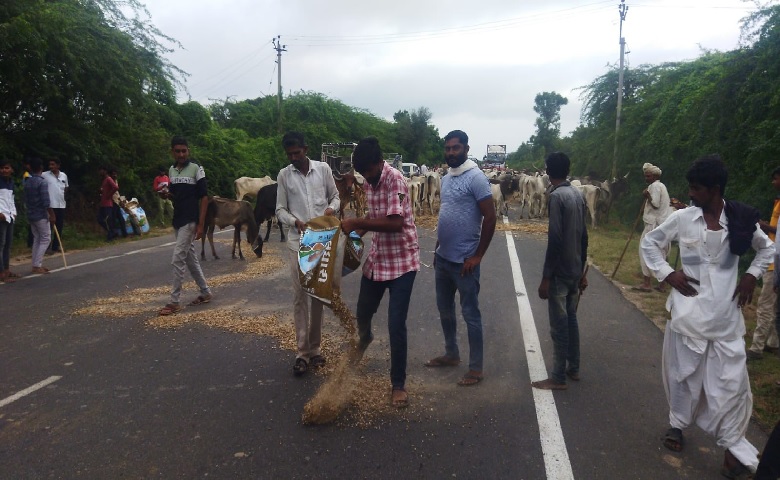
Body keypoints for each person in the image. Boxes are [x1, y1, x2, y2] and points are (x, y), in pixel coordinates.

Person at [640, 155, 774, 478]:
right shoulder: (684, 218)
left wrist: (752, 276)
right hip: (687, 319)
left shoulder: (740, 220)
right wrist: (668, 273)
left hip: (726, 323)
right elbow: (650, 243)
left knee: (730, 388)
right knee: (683, 377)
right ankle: (677, 426)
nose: (691, 193)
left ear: (715, 189)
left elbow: (768, 248)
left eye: (696, 188)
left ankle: (732, 452)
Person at [341, 136, 420, 408]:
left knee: (396, 324)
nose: (366, 178)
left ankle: (398, 384)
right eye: (362, 174)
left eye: (369, 172)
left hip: (402, 262)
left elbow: (395, 223)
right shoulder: (369, 181)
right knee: (362, 314)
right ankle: (364, 341)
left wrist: (357, 221)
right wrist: (352, 233)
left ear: (379, 163)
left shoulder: (395, 179)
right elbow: (374, 219)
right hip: (377, 259)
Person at [424, 130, 496, 387]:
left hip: (465, 261)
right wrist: (438, 246)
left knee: (470, 314)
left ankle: (476, 368)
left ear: (466, 148)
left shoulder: (476, 178)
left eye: (455, 148)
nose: (451, 153)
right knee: (445, 310)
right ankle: (451, 353)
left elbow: (490, 217)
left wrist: (478, 256)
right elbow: (447, 215)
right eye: (447, 148)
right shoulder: (447, 178)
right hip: (444, 259)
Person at [275, 131, 340, 376]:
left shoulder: (323, 170)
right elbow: (280, 209)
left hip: (321, 240)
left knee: (318, 296)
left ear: (306, 149)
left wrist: (331, 210)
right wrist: (295, 222)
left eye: (297, 153)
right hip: (297, 242)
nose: (294, 158)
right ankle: (302, 353)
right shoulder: (284, 175)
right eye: (290, 154)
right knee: (299, 296)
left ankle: (315, 349)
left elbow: (336, 197)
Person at [532, 152, 589, 390]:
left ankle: (557, 376)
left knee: (559, 324)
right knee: (572, 318)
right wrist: (583, 271)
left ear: (547, 171)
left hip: (560, 271)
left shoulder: (556, 197)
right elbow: (584, 236)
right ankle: (573, 367)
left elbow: (555, 239)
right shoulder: (577, 194)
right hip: (575, 267)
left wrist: (546, 277)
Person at [157, 136, 213, 316]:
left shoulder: (197, 169)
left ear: (188, 151)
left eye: (184, 150)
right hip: (177, 219)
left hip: (190, 220)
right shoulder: (171, 171)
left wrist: (201, 224)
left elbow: (204, 197)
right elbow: (176, 195)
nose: (181, 154)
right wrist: (166, 195)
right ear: (172, 152)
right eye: (177, 151)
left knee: (177, 258)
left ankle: (174, 301)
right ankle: (205, 292)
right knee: (190, 259)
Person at [747, 166, 780, 360]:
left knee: (765, 304)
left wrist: (762, 225)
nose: (773, 182)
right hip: (775, 257)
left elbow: (777, 231)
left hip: (775, 260)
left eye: (776, 179)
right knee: (776, 306)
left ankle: (756, 348)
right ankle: (773, 342)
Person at [635, 162, 672, 292]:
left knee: (644, 250)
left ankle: (647, 283)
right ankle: (662, 284)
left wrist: (647, 196)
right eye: (645, 176)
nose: (646, 178)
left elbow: (655, 204)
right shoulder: (661, 186)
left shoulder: (655, 186)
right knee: (660, 254)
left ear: (654, 176)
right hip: (661, 226)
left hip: (653, 225)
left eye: (648, 176)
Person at [24, 157, 55, 274]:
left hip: (31, 214)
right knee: (46, 238)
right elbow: (46, 201)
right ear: (41, 168)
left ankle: (35, 264)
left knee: (37, 238)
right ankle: (37, 265)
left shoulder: (27, 182)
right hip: (41, 214)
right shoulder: (42, 182)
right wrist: (52, 215)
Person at [42, 158, 68, 253]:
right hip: (50, 205)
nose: (51, 166)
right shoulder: (44, 175)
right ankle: (47, 247)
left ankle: (56, 246)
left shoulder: (63, 176)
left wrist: (63, 198)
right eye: (50, 164)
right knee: (48, 227)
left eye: (53, 164)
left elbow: (65, 188)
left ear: (58, 165)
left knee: (59, 226)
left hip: (61, 205)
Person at [0, 159, 18, 283]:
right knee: (0, 244)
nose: (4, 170)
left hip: (9, 215)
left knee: (8, 244)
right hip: (1, 216)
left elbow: (11, 199)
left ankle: (6, 269)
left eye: (7, 168)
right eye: (2, 168)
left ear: (11, 170)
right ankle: (1, 272)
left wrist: (14, 212)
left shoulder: (11, 182)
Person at [98, 166, 119, 241]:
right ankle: (113, 232)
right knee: (100, 219)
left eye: (101, 170)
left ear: (105, 171)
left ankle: (111, 235)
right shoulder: (104, 180)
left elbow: (115, 187)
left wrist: (109, 195)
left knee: (108, 220)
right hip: (103, 203)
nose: (100, 172)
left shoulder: (109, 179)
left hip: (108, 203)